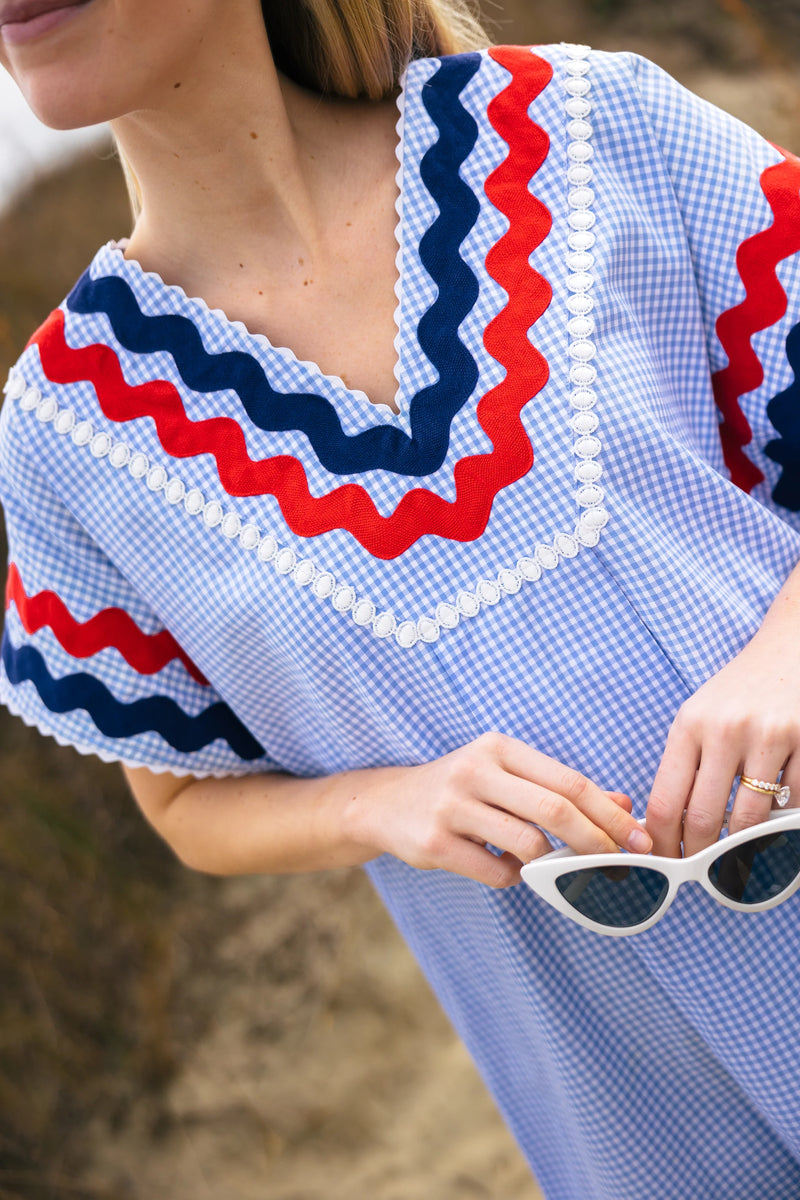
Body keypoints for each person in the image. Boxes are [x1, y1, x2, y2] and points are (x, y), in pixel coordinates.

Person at [1, 0, 800, 1195]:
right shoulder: (70, 432)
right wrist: (387, 804)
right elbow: (178, 798)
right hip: (613, 1083)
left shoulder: (587, 128)